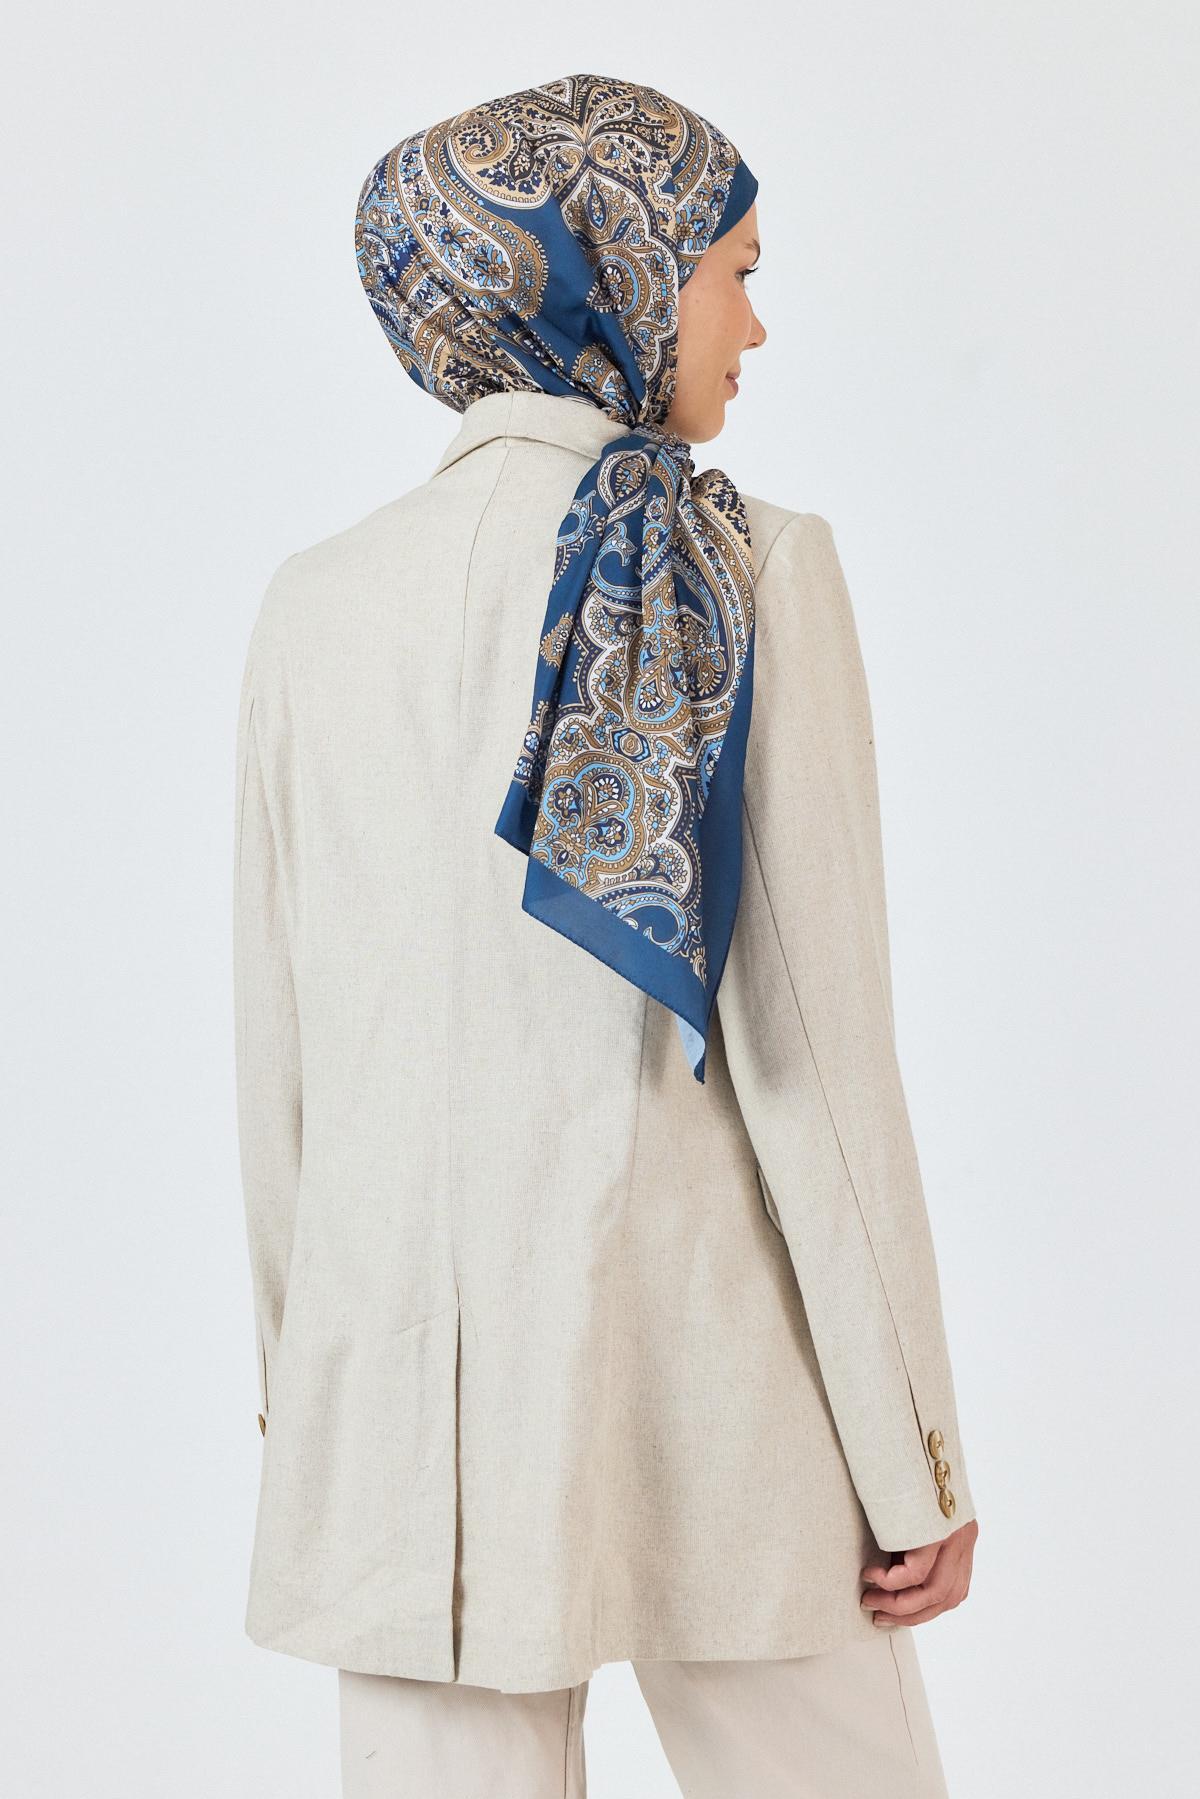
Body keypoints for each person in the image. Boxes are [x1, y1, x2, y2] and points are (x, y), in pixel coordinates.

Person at [232, 73, 979, 1798]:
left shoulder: (313, 606)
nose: (756, 326)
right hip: (725, 1398)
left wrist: (314, 1408)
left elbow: (283, 1062)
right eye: (734, 271)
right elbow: (814, 1055)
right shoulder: (746, 566)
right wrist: (914, 1454)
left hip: (407, 1428)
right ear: (618, 271)